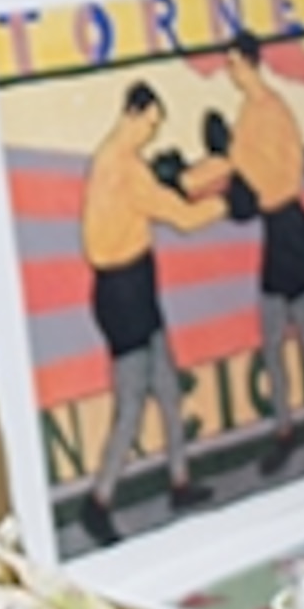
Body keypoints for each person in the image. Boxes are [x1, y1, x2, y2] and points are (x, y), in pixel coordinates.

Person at [77, 81, 227, 539]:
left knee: (166, 386)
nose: (153, 133)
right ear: (133, 114)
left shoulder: (120, 161)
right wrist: (227, 202)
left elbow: (168, 191)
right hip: (125, 295)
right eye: (152, 123)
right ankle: (98, 501)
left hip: (136, 287)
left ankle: (179, 481)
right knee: (131, 405)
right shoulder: (121, 168)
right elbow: (180, 215)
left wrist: (198, 178)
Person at [214, 28, 304, 471]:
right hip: (275, 229)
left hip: (289, 226)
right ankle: (286, 428)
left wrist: (237, 164)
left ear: (249, 61)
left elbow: (279, 174)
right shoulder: (248, 112)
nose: (229, 71)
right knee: (273, 341)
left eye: (233, 62)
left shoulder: (271, 112)